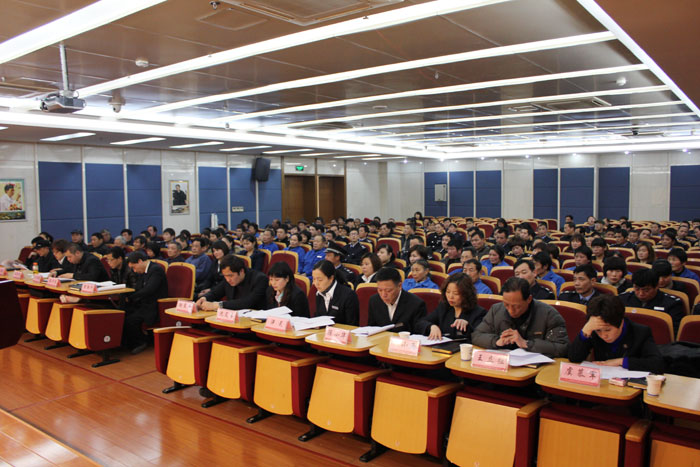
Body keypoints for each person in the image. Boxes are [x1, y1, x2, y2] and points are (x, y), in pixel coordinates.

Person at [472, 277, 569, 357]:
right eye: (506, 305)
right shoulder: (496, 309)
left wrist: (526, 343)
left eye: (516, 306)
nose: (510, 310)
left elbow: (563, 348)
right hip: (503, 364)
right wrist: (497, 341)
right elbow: (476, 335)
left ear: (529, 299)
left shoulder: (549, 314)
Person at [568, 295, 664, 373]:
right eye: (598, 331)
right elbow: (574, 357)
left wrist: (620, 361)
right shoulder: (592, 329)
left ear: (621, 322)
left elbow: (657, 364)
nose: (603, 335)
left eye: (608, 330)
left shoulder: (640, 332)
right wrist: (585, 331)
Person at [123, 251, 168, 354]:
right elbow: (138, 288)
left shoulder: (156, 270)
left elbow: (149, 289)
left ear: (140, 261)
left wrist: (132, 297)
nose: (134, 270)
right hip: (144, 302)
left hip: (154, 305)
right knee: (124, 312)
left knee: (131, 320)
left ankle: (141, 342)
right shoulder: (143, 271)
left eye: (134, 267)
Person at [418, 273, 487, 341]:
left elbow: (480, 338)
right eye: (448, 292)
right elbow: (421, 322)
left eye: (456, 293)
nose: (450, 296)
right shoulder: (444, 307)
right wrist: (431, 326)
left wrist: (467, 326)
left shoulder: (479, 313)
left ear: (466, 294)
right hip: (444, 346)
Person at [618, 269, 685, 333]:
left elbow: (673, 333)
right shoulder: (622, 299)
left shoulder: (672, 304)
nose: (641, 293)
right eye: (637, 289)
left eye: (646, 290)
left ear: (656, 286)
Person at [197, 255, 268, 311]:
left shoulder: (260, 279)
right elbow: (215, 292)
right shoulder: (228, 278)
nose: (228, 279)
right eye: (225, 276)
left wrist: (218, 305)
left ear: (241, 271)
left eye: (230, 276)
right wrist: (204, 298)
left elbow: (248, 302)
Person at [368, 267, 426, 333]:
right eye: (380, 290)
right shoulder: (374, 300)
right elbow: (371, 329)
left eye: (388, 290)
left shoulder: (416, 304)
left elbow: (418, 333)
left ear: (400, 286)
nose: (383, 295)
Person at [312, 260, 359, 325]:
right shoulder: (319, 294)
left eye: (320, 280)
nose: (315, 283)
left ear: (331, 278)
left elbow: (352, 325)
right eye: (314, 279)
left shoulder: (349, 295)